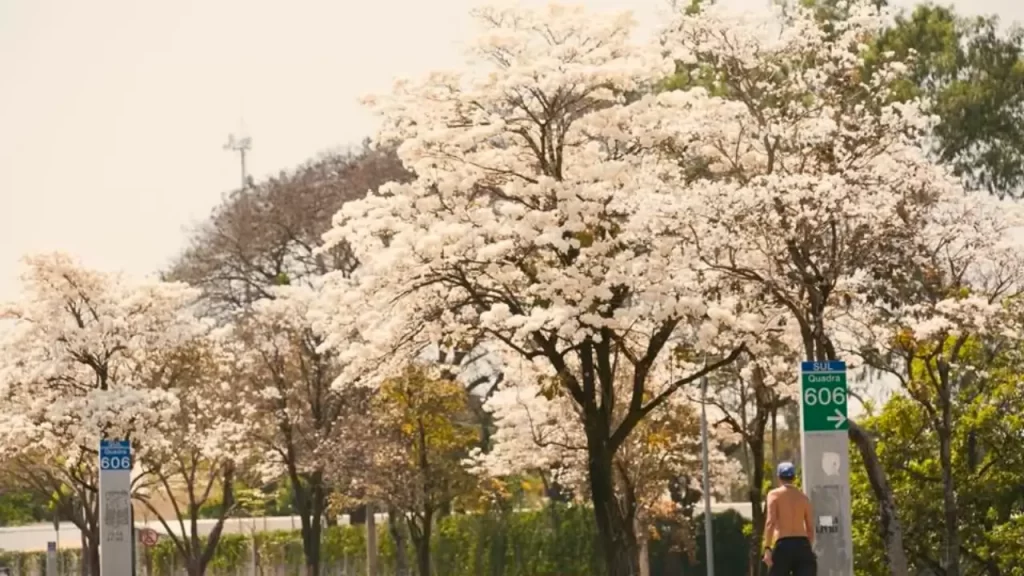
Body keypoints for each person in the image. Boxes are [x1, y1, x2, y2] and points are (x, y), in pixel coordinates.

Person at [762, 461, 816, 576]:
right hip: (803, 544)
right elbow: (810, 529)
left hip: (783, 544)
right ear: (794, 477)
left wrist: (767, 548)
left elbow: (770, 522)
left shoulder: (774, 495)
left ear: (778, 477)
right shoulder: (803, 498)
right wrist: (806, 549)